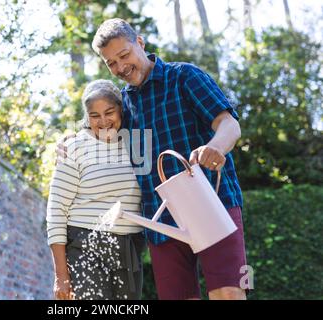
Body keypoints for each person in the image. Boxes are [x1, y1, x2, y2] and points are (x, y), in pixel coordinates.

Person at [59, 18, 249, 300]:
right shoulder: (123, 105)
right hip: (161, 221)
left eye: (124, 55)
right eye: (111, 63)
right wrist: (70, 142)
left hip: (212, 202)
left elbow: (229, 124)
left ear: (140, 42)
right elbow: (97, 132)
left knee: (229, 294)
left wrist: (216, 147)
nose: (120, 67)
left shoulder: (184, 77)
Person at [46, 79, 146, 300]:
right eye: (94, 115)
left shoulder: (136, 143)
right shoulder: (73, 147)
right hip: (84, 246)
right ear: (86, 117)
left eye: (109, 112)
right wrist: (61, 275)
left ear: (121, 110)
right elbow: (56, 210)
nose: (103, 121)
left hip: (129, 248)